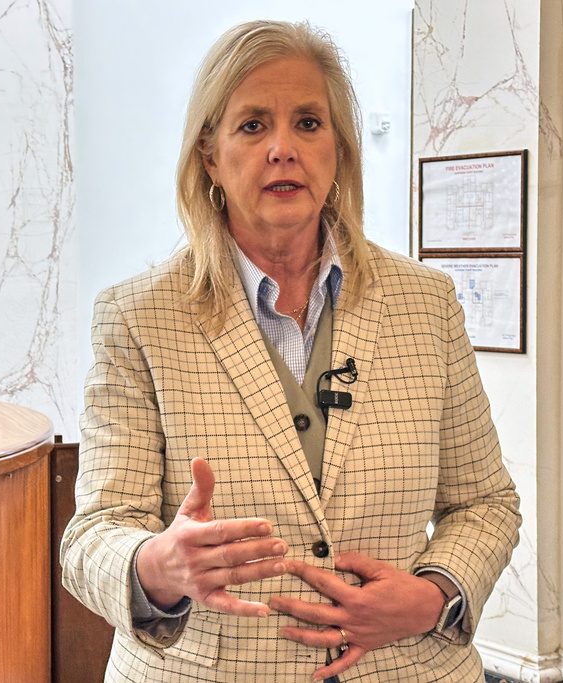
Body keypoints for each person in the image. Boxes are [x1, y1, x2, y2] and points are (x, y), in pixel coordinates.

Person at [60, 19, 521, 683]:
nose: (283, 147)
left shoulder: (427, 303)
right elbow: (94, 536)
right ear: (209, 156)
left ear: (339, 150)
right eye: (252, 125)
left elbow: (485, 502)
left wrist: (430, 596)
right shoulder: (139, 318)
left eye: (308, 122)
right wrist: (158, 564)